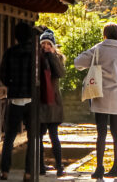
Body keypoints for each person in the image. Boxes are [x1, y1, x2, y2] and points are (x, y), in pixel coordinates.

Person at [75, 23, 117, 179]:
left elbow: (77, 62)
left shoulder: (98, 49)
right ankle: (116, 166)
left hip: (99, 94)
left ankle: (99, 167)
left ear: (104, 35)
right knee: (116, 133)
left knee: (101, 133)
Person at [0, 21, 36, 181]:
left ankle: (5, 171)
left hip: (15, 99)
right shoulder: (35, 53)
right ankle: (28, 172)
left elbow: (3, 75)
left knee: (9, 137)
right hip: (31, 99)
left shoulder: (10, 52)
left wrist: (12, 85)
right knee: (32, 137)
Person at [39, 30, 66, 177]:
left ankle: (59, 165)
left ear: (54, 46)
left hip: (53, 103)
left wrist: (51, 56)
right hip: (41, 103)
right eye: (43, 44)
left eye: (49, 44)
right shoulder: (38, 59)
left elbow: (60, 73)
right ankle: (40, 165)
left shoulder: (58, 58)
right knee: (39, 136)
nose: (46, 47)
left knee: (54, 135)